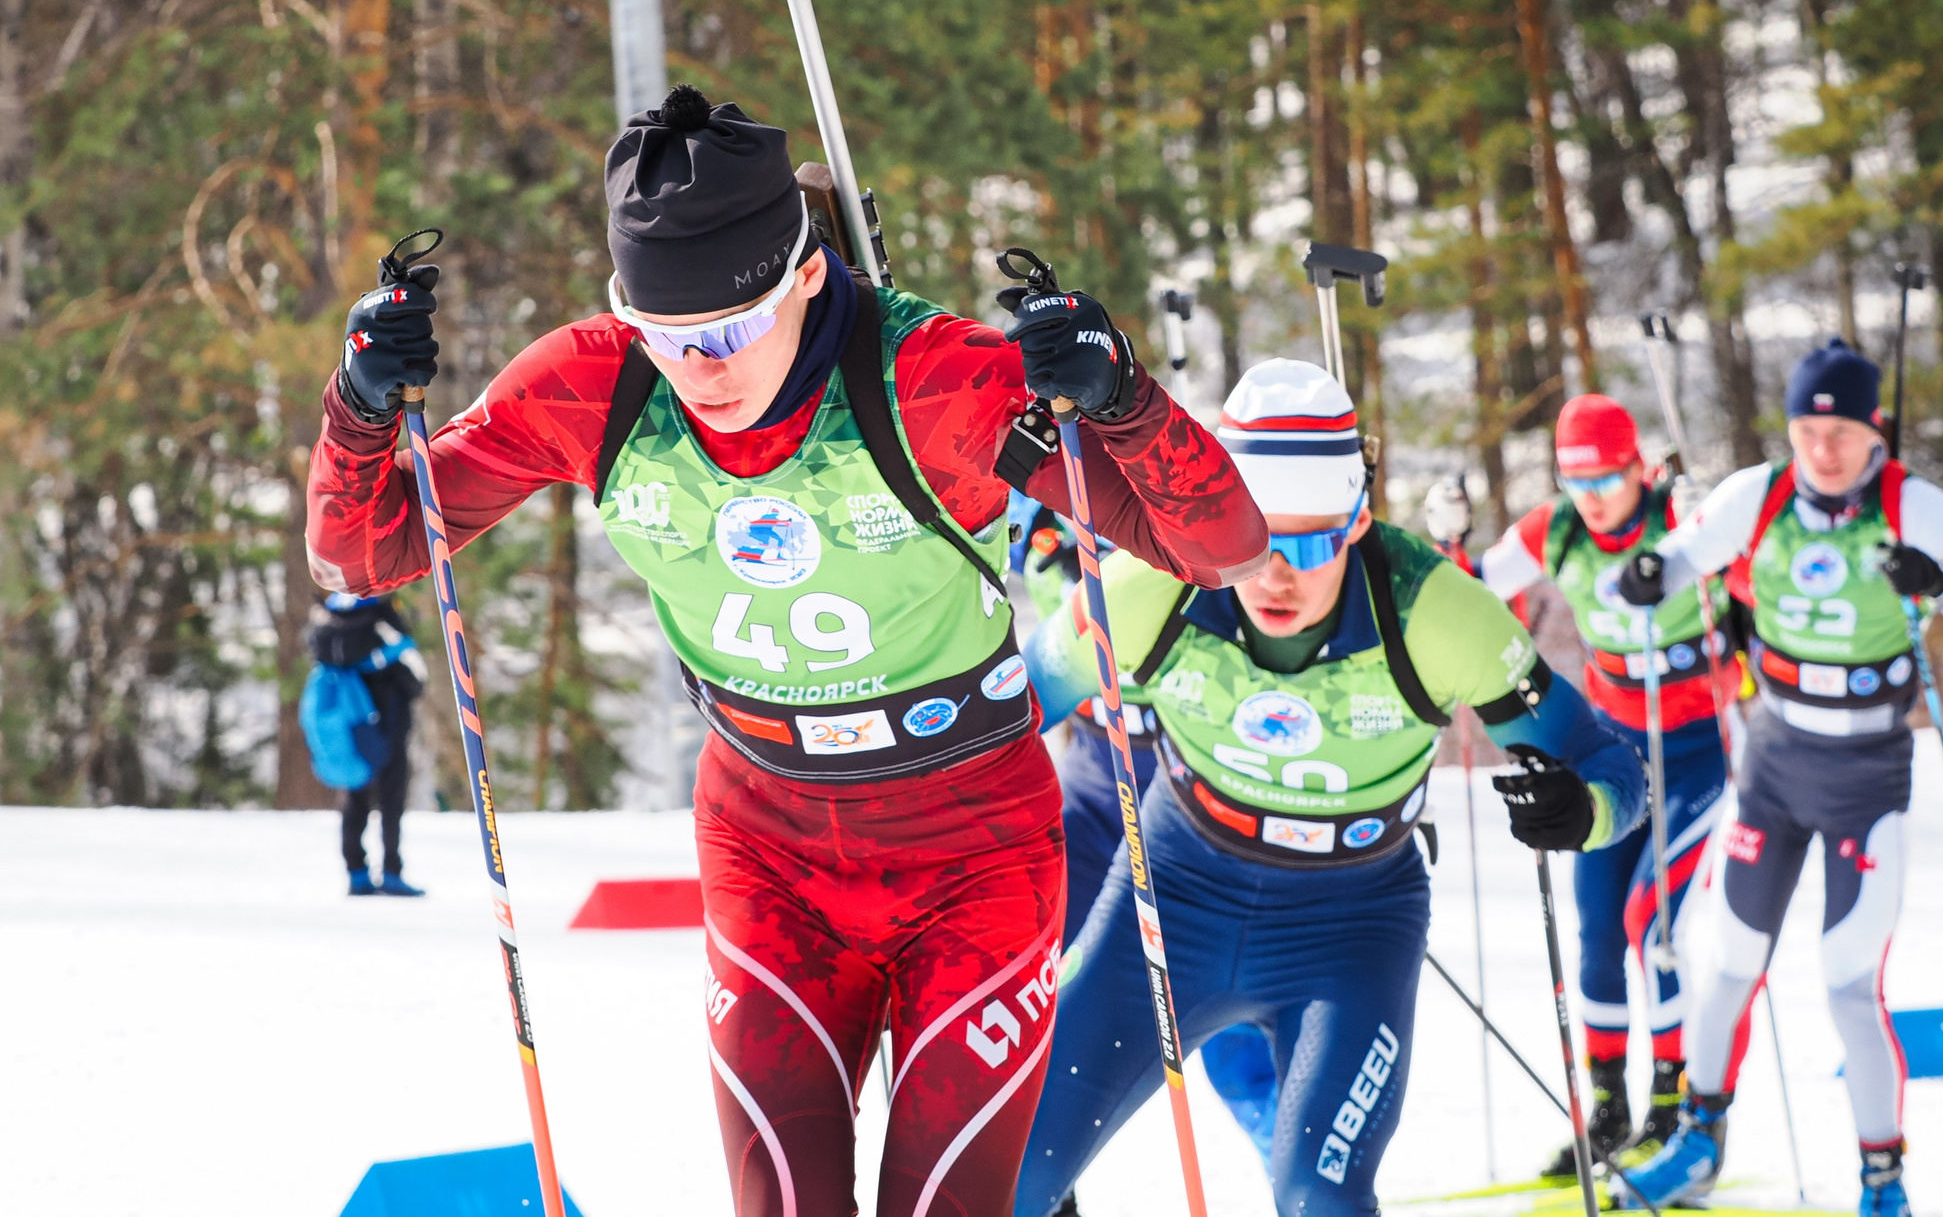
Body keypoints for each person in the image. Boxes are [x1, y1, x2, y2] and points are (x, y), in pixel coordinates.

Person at [307, 86, 1267, 1217]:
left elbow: (1219, 546)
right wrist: (362, 406)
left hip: (972, 850)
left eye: (726, 330)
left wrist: (1118, 397)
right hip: (769, 849)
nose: (701, 370)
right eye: (667, 336)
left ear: (808, 274)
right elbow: (360, 556)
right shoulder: (596, 382)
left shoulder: (935, 377)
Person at [1012, 360, 1648, 1217]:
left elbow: (1612, 767)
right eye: (1253, 539)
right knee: (1012, 1170)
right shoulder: (1146, 585)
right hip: (1174, 896)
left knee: (1321, 1194)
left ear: (1357, 523)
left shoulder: (1434, 611)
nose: (1277, 575)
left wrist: (1583, 810)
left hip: (1351, 925)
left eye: (1310, 544)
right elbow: (994, 724)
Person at [1613, 339, 1943, 1216]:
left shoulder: (1915, 504)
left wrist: (1942, 587)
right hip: (1773, 762)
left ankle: (1883, 1180)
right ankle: (1696, 1145)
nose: (1823, 448)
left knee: (1847, 982)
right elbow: (1663, 567)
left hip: (1866, 775)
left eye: (1839, 428)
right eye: (1807, 427)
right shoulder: (1756, 497)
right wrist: (1649, 573)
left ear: (1873, 428)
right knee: (1726, 965)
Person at [1473, 394, 1734, 1175]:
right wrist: (1449, 541)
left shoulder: (1676, 515)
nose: (1590, 494)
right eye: (1573, 476)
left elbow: (1747, 558)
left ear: (1636, 467)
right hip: (1612, 753)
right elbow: (1476, 589)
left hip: (1690, 752)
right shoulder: (1554, 530)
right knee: (1597, 935)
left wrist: (1702, 528)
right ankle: (1609, 1113)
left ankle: (1671, 1107)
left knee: (1653, 926)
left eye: (1605, 476)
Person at [1009, 495, 1280, 1180]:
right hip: (1096, 788)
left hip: (1194, 795)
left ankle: (1304, 1181)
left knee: (1239, 1036)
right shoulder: (1035, 516)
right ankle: (1035, 1185)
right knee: (1030, 1008)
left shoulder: (1186, 513)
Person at [308, 591, 427, 898]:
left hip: (353, 727)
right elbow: (415, 681)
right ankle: (391, 872)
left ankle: (356, 873)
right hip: (389, 722)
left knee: (354, 798)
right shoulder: (382, 618)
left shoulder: (334, 617)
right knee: (391, 800)